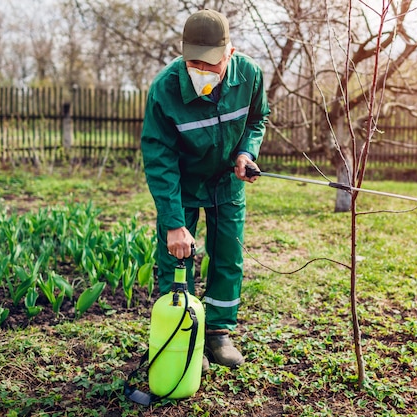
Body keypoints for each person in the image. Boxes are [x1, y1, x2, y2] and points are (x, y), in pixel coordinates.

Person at [141, 9, 270, 370]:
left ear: (230, 53)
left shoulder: (249, 75)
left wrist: (246, 152)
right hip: (181, 184)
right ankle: (183, 337)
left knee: (228, 257)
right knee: (176, 259)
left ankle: (217, 333)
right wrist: (172, 221)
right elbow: (158, 157)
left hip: (227, 182)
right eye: (194, 62)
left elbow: (258, 118)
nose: (201, 70)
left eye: (211, 63)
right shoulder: (164, 89)